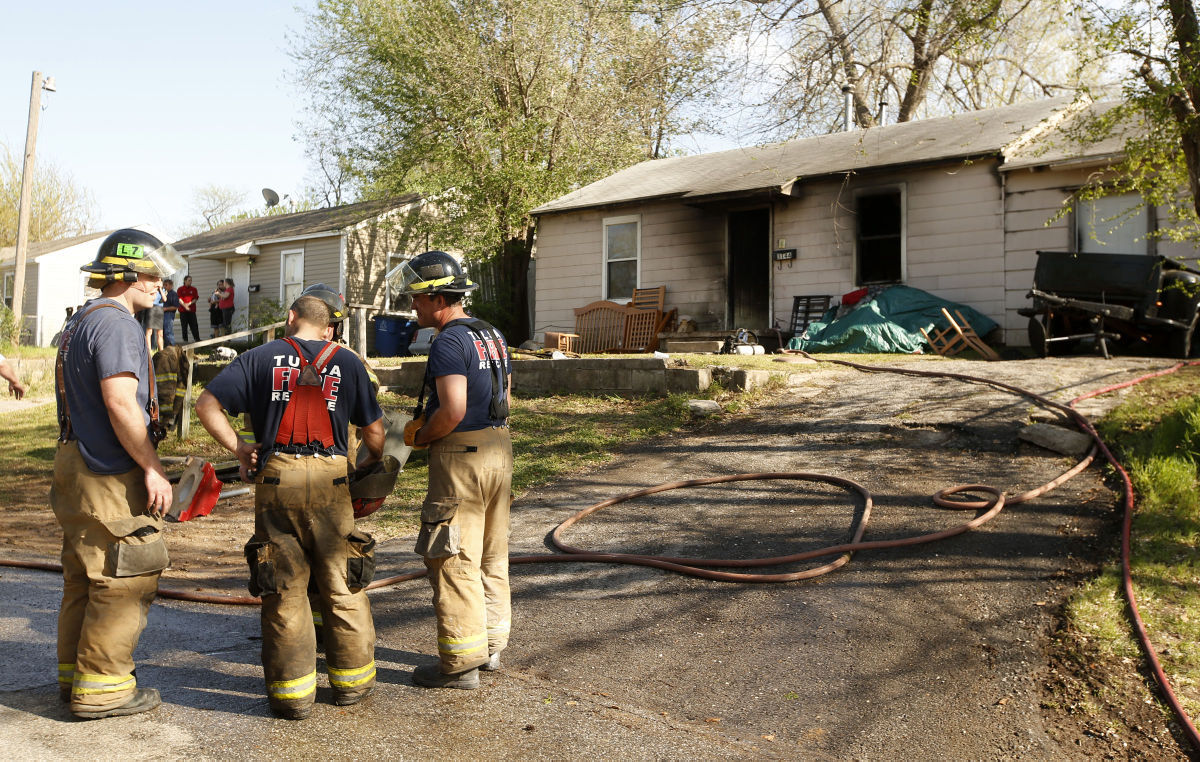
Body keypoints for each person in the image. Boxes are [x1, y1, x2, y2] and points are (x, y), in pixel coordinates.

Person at [195, 291, 385, 720]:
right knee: (343, 583)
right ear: (329, 326)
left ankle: (292, 697)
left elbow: (207, 404)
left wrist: (241, 449)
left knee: (283, 589)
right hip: (332, 481)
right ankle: (353, 685)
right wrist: (367, 472)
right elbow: (374, 434)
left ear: (291, 317)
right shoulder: (350, 362)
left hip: (277, 481)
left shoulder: (259, 357)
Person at [51, 228, 181, 719]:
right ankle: (103, 690)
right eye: (152, 276)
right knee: (123, 578)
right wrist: (152, 467)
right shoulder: (118, 324)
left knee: (83, 580)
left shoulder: (81, 322)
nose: (159, 288)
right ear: (125, 274)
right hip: (106, 470)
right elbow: (121, 403)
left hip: (75, 463)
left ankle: (74, 680)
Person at [390, 250, 513, 690]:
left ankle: (461, 664)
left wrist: (422, 437)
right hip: (499, 449)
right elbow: (506, 398)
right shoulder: (491, 334)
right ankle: (491, 647)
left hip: (462, 456)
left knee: (453, 555)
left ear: (439, 298)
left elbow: (454, 408)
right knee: (491, 554)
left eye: (417, 300)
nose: (412, 307)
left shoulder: (447, 341)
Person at [176, 275, 200, 343]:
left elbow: (195, 298)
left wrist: (189, 304)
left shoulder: (194, 289)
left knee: (194, 325)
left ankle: (197, 339)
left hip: (191, 310)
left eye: (191, 280)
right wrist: (184, 305)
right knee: (184, 326)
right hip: (183, 311)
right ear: (185, 281)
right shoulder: (180, 289)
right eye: (189, 280)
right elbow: (179, 298)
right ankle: (185, 340)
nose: (190, 282)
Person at [146, 285, 165, 352]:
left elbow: (165, 299)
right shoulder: (152, 289)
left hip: (159, 310)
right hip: (152, 308)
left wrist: (160, 290)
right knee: (149, 332)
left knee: (160, 333)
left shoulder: (162, 290)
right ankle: (149, 351)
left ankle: (161, 351)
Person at [162, 279, 180, 346]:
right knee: (163, 333)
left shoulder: (174, 294)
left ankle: (172, 347)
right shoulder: (163, 293)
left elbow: (176, 306)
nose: (164, 287)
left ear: (171, 285)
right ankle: (166, 348)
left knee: (168, 331)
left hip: (169, 314)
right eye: (164, 285)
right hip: (162, 314)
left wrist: (166, 308)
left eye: (166, 285)